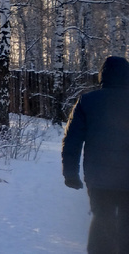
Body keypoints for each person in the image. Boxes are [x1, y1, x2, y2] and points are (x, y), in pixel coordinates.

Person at [63, 55, 129, 254]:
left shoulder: (88, 101)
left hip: (99, 178)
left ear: (102, 76)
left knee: (102, 219)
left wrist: (70, 173)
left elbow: (72, 141)